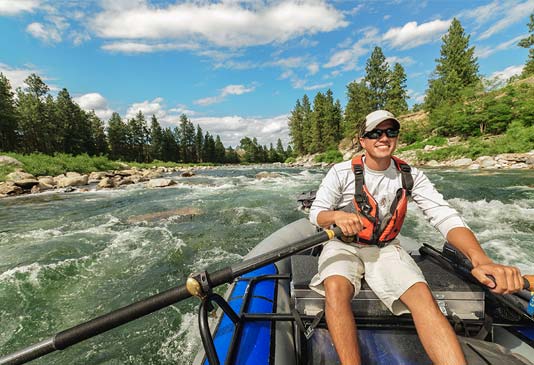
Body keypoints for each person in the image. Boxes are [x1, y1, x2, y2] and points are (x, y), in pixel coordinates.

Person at [308, 109, 524, 365]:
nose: (383, 138)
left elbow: (444, 216)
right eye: (375, 132)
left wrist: (479, 259)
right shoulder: (341, 172)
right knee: (335, 287)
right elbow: (317, 213)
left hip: (385, 248)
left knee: (422, 295)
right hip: (343, 244)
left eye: (391, 132)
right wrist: (336, 216)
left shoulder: (410, 175)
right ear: (363, 140)